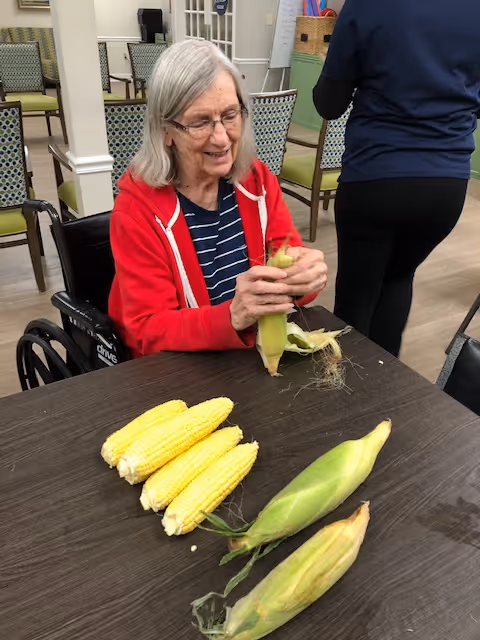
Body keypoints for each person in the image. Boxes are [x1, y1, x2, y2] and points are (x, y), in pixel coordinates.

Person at [109, 40, 327, 358]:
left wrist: (305, 279)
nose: (222, 137)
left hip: (247, 359)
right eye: (200, 122)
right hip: (182, 373)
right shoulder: (136, 212)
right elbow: (146, 331)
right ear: (165, 130)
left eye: (229, 115)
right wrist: (231, 316)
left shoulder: (257, 181)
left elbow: (288, 265)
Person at [313, 0, 480, 357]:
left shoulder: (367, 5)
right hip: (446, 186)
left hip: (376, 178)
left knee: (357, 299)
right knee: (398, 278)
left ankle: (347, 402)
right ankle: (384, 397)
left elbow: (329, 104)